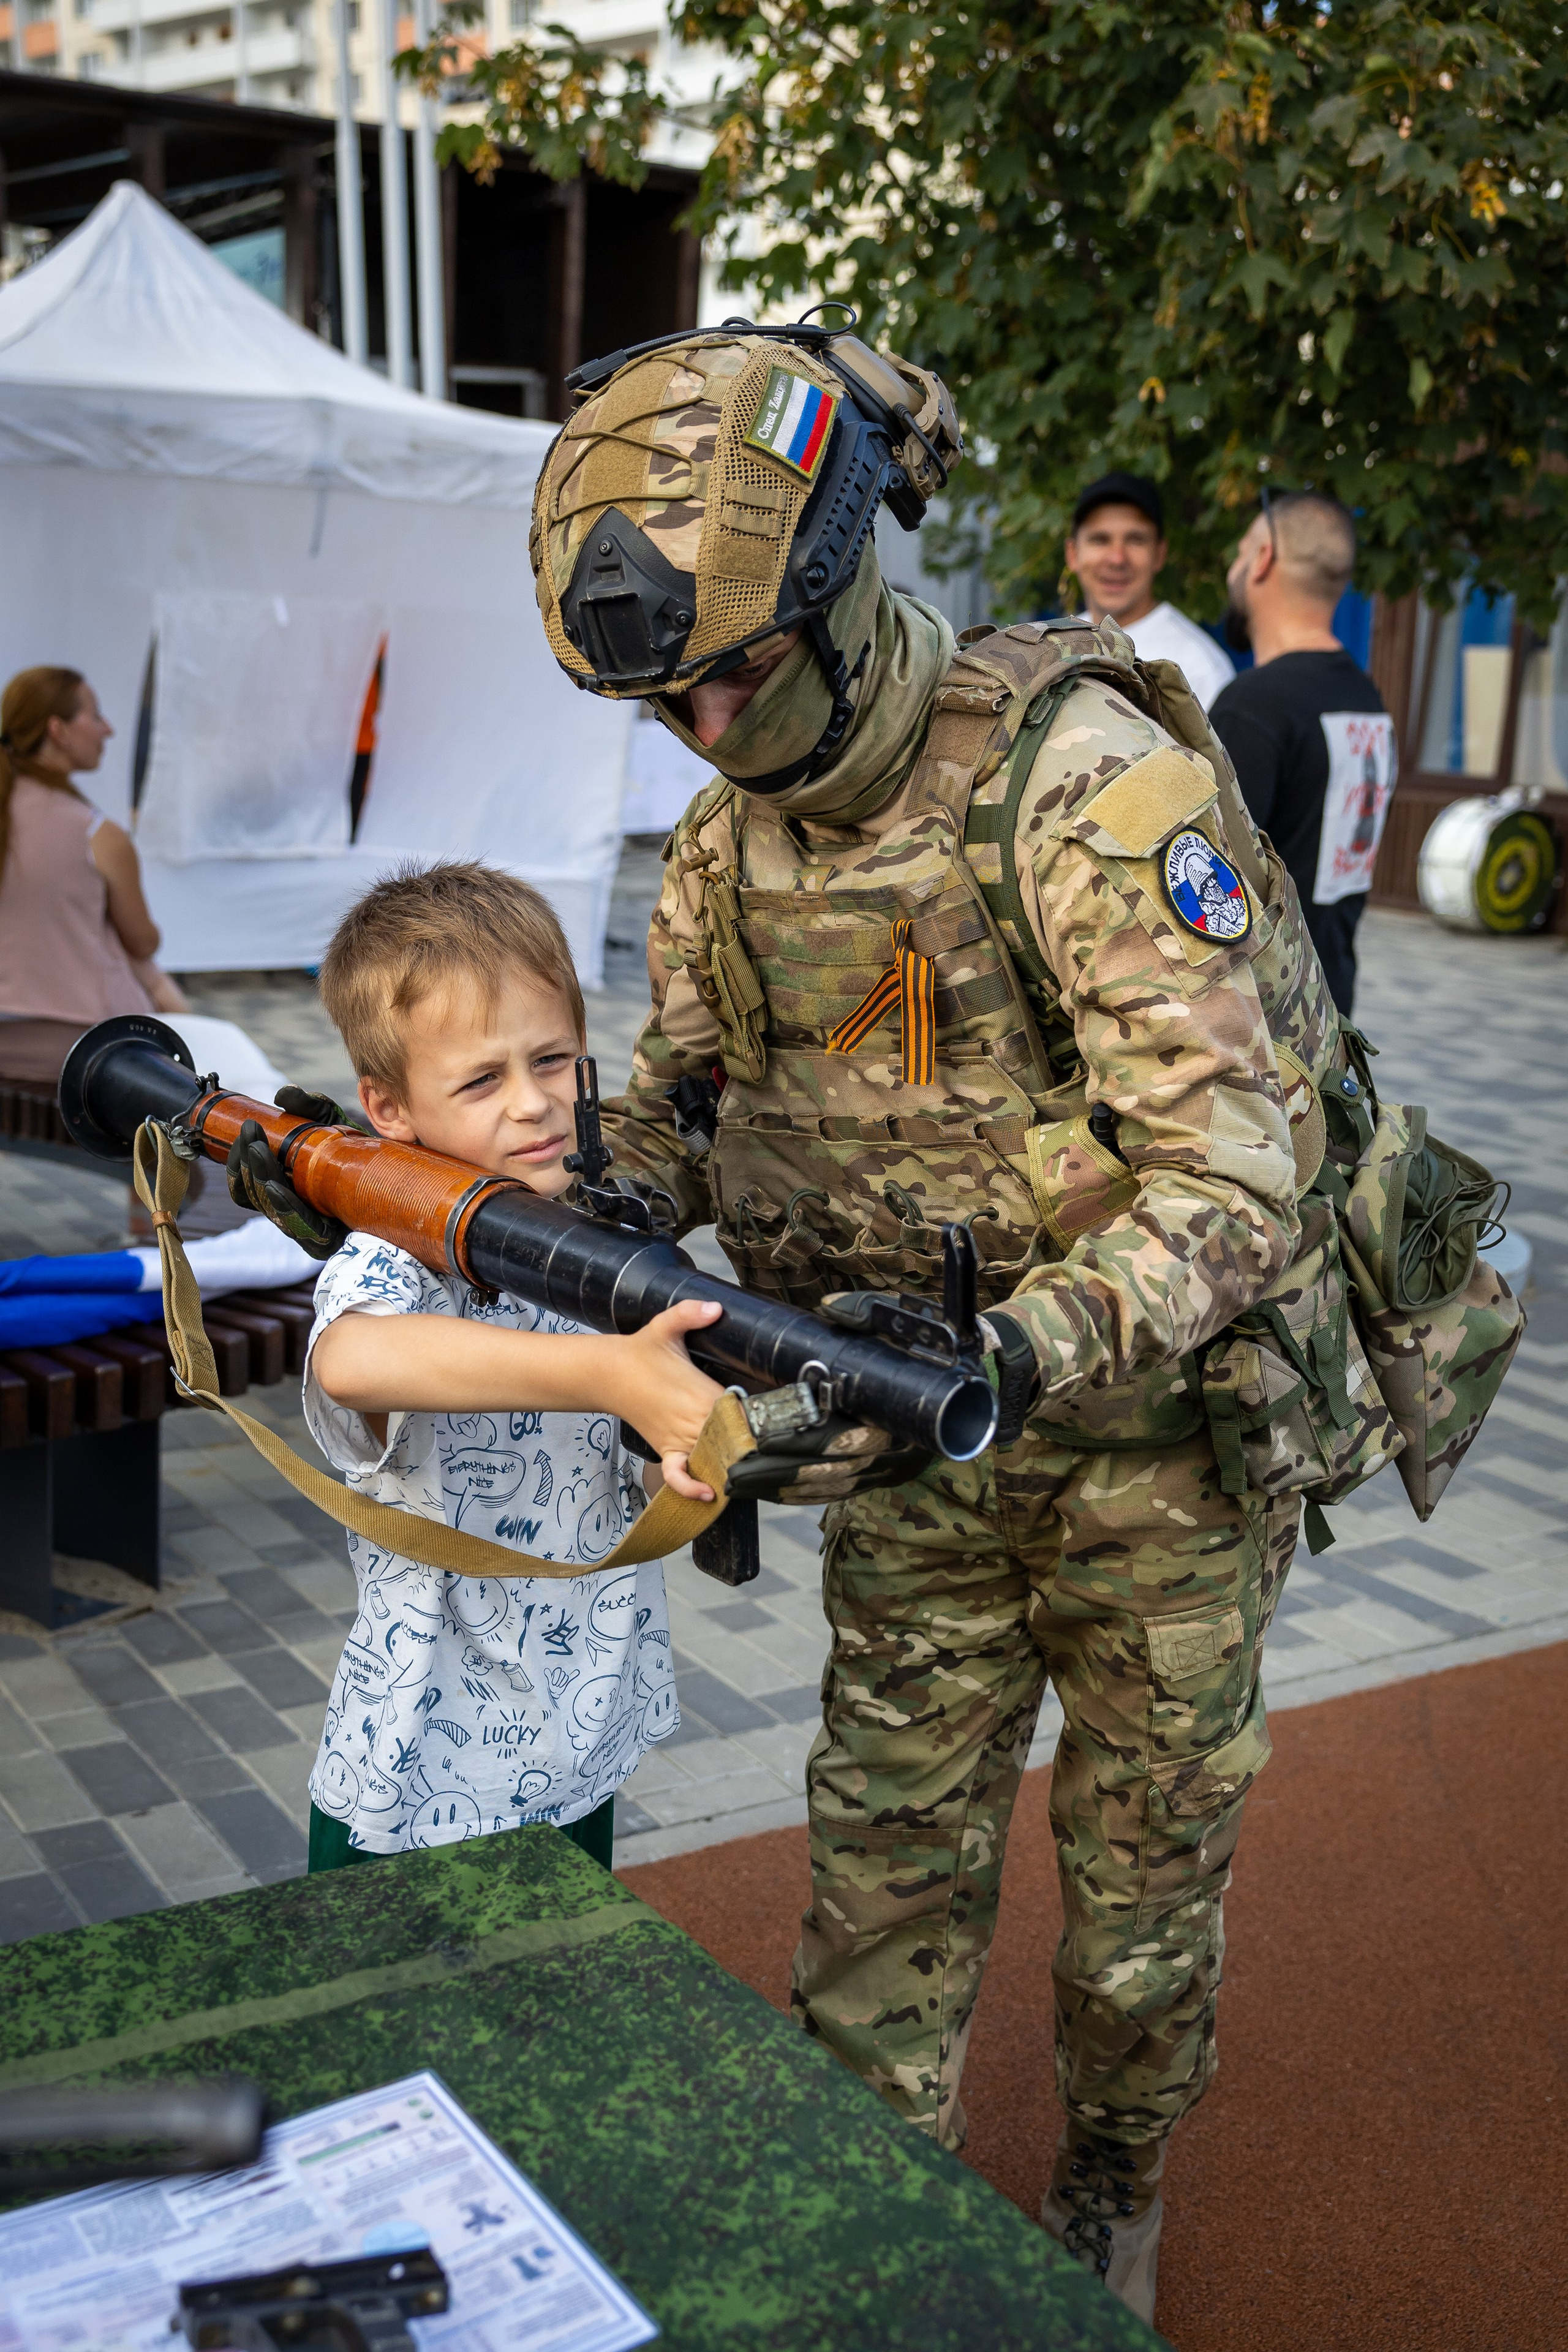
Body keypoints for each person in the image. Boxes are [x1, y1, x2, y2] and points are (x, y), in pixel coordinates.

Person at [513, 323, 1381, 2329]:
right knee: (875, 1910)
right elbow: (698, 1100)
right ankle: (865, 2262)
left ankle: (1109, 2191)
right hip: (914, 1468)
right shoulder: (731, 843)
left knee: (1133, 1939)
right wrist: (607, 1184)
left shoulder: (1085, 782)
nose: (705, 726)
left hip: (1156, 1471)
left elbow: (1240, 1177)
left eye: (733, 671)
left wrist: (1008, 1358)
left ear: (835, 589)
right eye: (666, 700)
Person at [243, 861, 726, 1875]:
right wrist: (607, 1376)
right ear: (392, 1107)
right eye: (481, 1079)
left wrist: (659, 1470)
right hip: (425, 1777)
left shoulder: (582, 1238)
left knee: (550, 2021)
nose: (534, 1106)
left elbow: (584, 1459)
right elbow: (356, 1360)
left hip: (573, 1737)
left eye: (553, 1059)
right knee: (401, 2035)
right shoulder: (394, 1256)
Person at [1208, 492, 1393, 1015]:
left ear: (1263, 557)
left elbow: (1207, 885)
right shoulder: (1366, 699)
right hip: (1332, 1011)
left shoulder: (1255, 706)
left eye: (1240, 554)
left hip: (1266, 1031)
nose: (1233, 571)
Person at [0, 666, 187, 1084]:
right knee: (144, 967)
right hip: (82, 1048)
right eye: (96, 715)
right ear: (58, 730)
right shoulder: (97, 834)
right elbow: (142, 940)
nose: (109, 730)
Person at [1065, 470, 1235, 710]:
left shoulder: (1199, 668)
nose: (1117, 558)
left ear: (1160, 554)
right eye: (1100, 540)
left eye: (1135, 540)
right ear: (1073, 554)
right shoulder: (1052, 646)